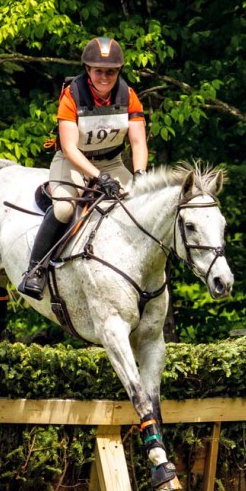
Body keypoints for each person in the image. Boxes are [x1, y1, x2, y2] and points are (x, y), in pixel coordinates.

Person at [18, 36, 148, 300]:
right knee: (65, 208)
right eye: (99, 70)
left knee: (140, 204)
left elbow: (138, 143)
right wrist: (98, 177)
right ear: (88, 70)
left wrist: (140, 176)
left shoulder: (129, 96)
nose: (105, 77)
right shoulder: (72, 95)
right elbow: (69, 148)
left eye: (111, 71)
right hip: (73, 162)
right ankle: (35, 270)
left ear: (118, 71)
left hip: (111, 162)